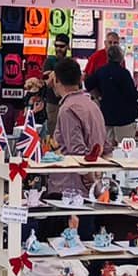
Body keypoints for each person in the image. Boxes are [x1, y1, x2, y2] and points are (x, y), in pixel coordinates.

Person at [46, 57, 107, 197]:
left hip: (69, 189)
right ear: (80, 79)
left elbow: (77, 152)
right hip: (90, 187)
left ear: (56, 80)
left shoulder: (68, 109)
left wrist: (90, 180)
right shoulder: (93, 105)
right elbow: (106, 145)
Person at [87, 30, 138, 132]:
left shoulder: (102, 70)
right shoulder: (96, 57)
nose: (112, 45)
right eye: (110, 42)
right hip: (114, 112)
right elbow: (87, 79)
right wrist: (97, 96)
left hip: (109, 110)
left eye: (115, 43)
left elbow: (88, 83)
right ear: (105, 43)